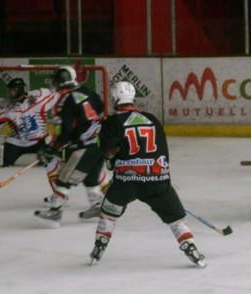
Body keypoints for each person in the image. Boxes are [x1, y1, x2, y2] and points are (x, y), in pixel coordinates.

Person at [89, 81, 205, 267]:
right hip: (157, 180)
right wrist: (164, 178)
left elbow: (108, 151)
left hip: (126, 182)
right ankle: (192, 249)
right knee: (176, 220)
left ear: (114, 99)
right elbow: (162, 150)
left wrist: (110, 158)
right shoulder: (152, 119)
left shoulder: (112, 122)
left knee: (108, 214)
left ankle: (99, 246)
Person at [34, 65, 108, 224]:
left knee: (63, 178)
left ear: (59, 82)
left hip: (84, 147)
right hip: (100, 144)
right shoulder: (89, 92)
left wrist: (52, 148)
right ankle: (98, 206)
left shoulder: (66, 100)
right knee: (91, 179)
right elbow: (102, 114)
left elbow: (66, 129)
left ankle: (55, 212)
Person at [0, 77, 60, 190]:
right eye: (10, 91)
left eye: (13, 90)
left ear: (20, 89)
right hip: (18, 142)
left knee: (49, 160)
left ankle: (59, 189)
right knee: (3, 162)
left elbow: (56, 94)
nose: (10, 93)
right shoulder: (7, 109)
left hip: (40, 140)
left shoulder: (37, 97)